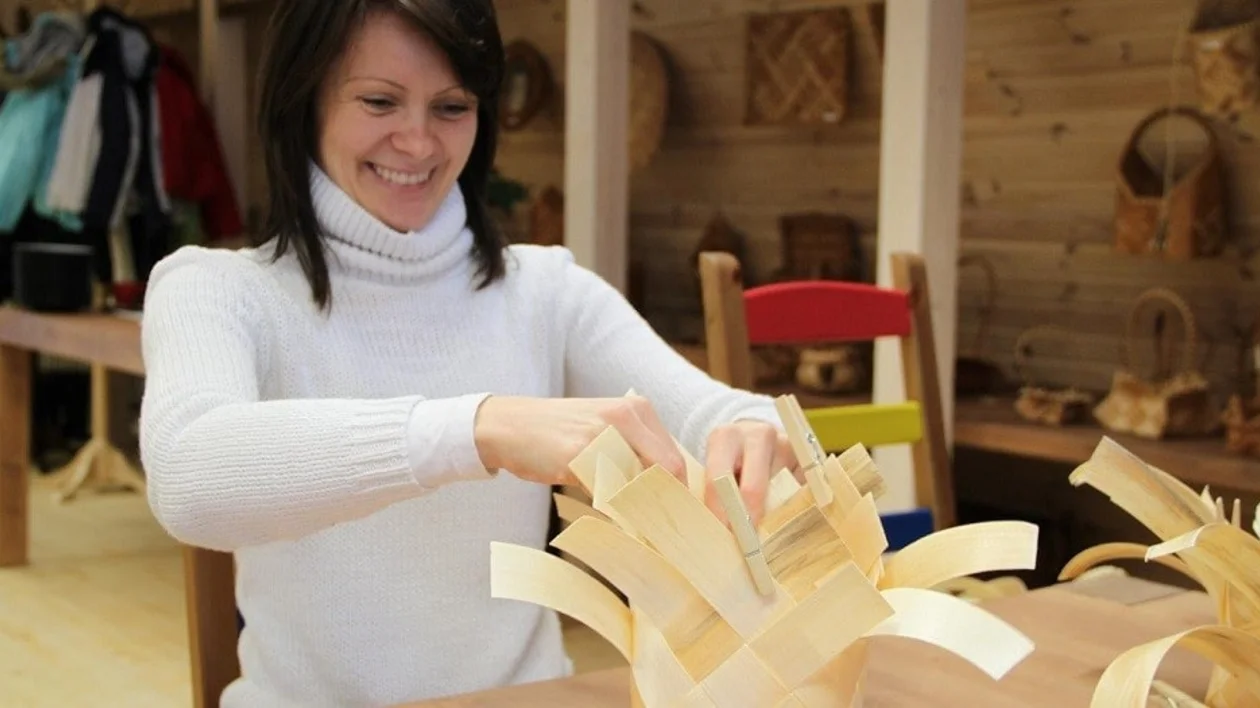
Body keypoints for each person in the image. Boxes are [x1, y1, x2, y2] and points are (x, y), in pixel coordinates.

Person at [138, 1, 795, 706]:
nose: (418, 143)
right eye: (380, 101)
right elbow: (186, 474)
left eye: (451, 107)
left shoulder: (546, 290)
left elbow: (716, 411)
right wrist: (477, 430)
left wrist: (759, 433)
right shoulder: (218, 290)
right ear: (304, 99)